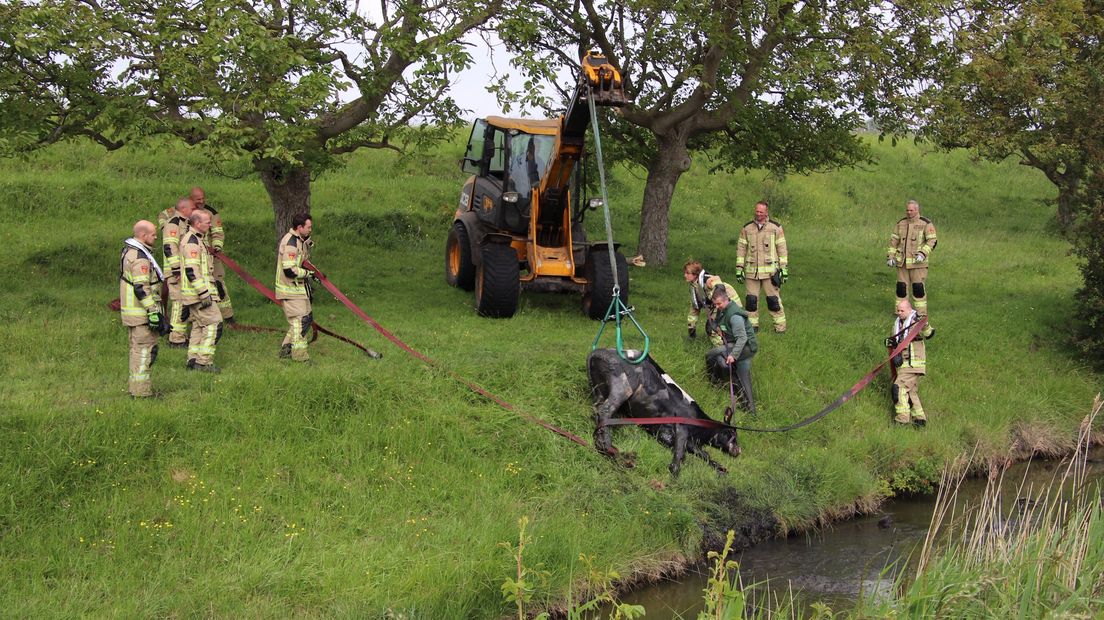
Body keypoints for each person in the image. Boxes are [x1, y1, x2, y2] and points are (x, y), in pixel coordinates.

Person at [119, 220, 165, 397]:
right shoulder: (140, 258)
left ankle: (136, 389)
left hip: (133, 313)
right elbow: (141, 288)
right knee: (144, 352)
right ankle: (142, 393)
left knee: (138, 351)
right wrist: (153, 311)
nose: (156, 237)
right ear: (143, 235)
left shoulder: (129, 251)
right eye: (153, 234)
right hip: (141, 314)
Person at [179, 210, 223, 372]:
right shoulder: (192, 242)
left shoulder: (197, 240)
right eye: (207, 222)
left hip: (196, 294)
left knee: (198, 325)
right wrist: (204, 293)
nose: (210, 225)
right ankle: (203, 362)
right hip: (199, 295)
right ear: (197, 224)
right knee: (214, 324)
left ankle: (192, 360)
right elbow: (192, 270)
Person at [735, 201, 788, 333]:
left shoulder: (775, 227)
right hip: (751, 272)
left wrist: (784, 268)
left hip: (770, 273)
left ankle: (780, 329)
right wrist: (739, 268)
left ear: (766, 212)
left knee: (773, 302)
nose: (758, 214)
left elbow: (782, 248)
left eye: (761, 212)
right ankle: (752, 329)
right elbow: (741, 248)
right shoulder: (747, 228)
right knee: (751, 302)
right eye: (757, 211)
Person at [705, 286, 758, 415]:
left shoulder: (735, 316)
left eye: (719, 303)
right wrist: (715, 326)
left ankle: (750, 409)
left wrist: (733, 355)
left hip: (745, 348)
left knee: (712, 354)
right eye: (715, 304)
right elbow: (718, 322)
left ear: (726, 300)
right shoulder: (722, 310)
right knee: (720, 360)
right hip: (734, 345)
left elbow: (742, 338)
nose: (717, 306)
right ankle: (720, 386)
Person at [887, 200, 937, 320]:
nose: (909, 212)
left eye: (911, 210)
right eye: (907, 210)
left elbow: (932, 241)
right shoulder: (901, 223)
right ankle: (900, 312)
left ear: (917, 210)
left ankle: (921, 314)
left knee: (918, 289)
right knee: (901, 288)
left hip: (918, 264)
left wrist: (923, 253)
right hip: (902, 263)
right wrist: (890, 257)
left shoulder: (925, 223)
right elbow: (894, 241)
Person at [887, 299, 935, 425]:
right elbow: (897, 342)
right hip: (903, 364)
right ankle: (920, 420)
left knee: (898, 388)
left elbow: (929, 334)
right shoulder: (897, 324)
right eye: (898, 310)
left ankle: (902, 420)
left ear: (909, 309)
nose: (899, 313)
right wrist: (893, 350)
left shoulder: (916, 321)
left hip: (914, 363)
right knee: (911, 392)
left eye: (902, 310)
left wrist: (923, 322)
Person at [190, 186, 234, 322]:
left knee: (219, 284)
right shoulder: (185, 211)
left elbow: (217, 232)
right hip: (193, 255)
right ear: (191, 199)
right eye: (198, 199)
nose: (201, 201)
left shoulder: (211, 213)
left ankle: (227, 316)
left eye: (203, 198)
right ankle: (194, 318)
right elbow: (165, 218)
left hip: (211, 255)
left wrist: (217, 247)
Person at [276, 212, 315, 362]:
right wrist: (308, 274)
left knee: (307, 318)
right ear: (300, 227)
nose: (310, 230)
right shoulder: (291, 243)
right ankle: (300, 357)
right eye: (308, 227)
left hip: (298, 289)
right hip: (290, 290)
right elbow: (290, 270)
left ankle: (286, 349)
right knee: (300, 322)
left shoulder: (299, 240)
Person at [161, 197, 195, 347]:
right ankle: (175, 339)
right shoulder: (173, 224)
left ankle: (181, 336)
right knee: (179, 303)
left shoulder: (185, 223)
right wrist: (176, 269)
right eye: (192, 209)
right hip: (177, 273)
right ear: (183, 209)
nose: (195, 211)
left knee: (185, 303)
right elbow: (169, 247)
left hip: (183, 271)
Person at [683, 261, 741, 339]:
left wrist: (718, 317)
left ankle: (727, 347)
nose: (685, 275)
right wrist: (691, 328)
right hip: (719, 305)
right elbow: (694, 309)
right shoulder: (694, 287)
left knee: (714, 327)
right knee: (712, 327)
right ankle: (729, 344)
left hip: (729, 302)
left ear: (695, 274)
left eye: (687, 273)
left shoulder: (706, 279)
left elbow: (718, 285)